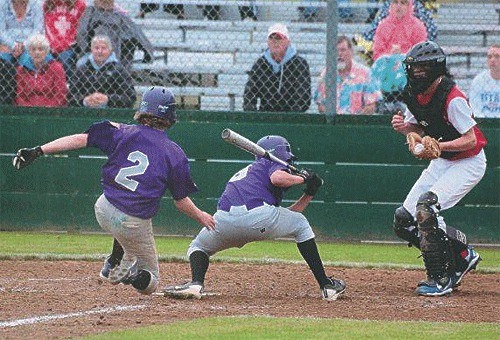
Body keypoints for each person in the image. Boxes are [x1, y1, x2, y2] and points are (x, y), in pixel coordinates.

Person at [12, 86, 216, 295]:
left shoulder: (121, 131)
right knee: (151, 281)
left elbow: (79, 139)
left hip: (103, 208)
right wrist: (201, 216)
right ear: (171, 116)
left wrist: (38, 150)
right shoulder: (175, 153)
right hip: (133, 222)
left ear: (142, 109)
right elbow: (180, 201)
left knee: (123, 232)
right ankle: (132, 275)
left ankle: (113, 262)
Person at [162, 135, 346, 301]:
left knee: (198, 246)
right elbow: (277, 179)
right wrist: (303, 179)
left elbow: (288, 215)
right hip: (258, 217)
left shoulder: (251, 172)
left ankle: (196, 283)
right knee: (301, 224)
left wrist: (309, 192)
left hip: (224, 221)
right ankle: (327, 285)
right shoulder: (270, 163)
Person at [391, 41, 487, 297]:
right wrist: (408, 132)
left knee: (426, 208)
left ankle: (441, 277)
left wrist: (440, 147)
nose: (415, 75)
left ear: (434, 70)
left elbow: (472, 139)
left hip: (468, 162)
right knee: (404, 220)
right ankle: (462, 254)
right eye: (413, 69)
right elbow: (416, 128)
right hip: (443, 162)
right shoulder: (412, 94)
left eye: (421, 70)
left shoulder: (453, 98)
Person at [243, 23, 311, 113]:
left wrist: (292, 115)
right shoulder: (261, 63)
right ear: (267, 42)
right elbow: (249, 92)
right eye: (271, 38)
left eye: (279, 38)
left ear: (287, 41)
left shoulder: (299, 64)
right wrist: (253, 114)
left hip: (292, 116)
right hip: (265, 113)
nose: (275, 41)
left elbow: (303, 95)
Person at [76, 0, 154, 71]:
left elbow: (137, 34)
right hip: (94, 54)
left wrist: (147, 54)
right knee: (81, 64)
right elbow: (82, 33)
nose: (105, 2)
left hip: (116, 55)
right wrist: (88, 51)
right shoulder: (91, 12)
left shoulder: (120, 15)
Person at [314, 36, 381, 115]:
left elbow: (371, 106)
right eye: (336, 51)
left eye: (343, 50)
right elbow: (320, 104)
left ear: (351, 51)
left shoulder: (365, 73)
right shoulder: (326, 74)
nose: (339, 54)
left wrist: (354, 121)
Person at [354, 0, 437, 64]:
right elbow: (377, 54)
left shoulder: (418, 27)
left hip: (410, 69)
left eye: (402, 3)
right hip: (387, 67)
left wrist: (402, 56)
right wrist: (390, 55)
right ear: (391, 5)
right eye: (395, 2)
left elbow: (421, 55)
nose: (399, 6)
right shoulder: (383, 26)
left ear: (409, 6)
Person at [69, 35, 135, 108]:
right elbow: (71, 95)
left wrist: (108, 99)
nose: (100, 51)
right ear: (91, 50)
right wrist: (85, 100)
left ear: (110, 50)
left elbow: (130, 97)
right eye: (96, 48)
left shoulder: (119, 70)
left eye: (103, 48)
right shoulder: (82, 69)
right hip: (85, 112)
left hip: (111, 112)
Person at [15, 34, 67, 107]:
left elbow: (60, 95)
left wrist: (47, 109)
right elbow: (19, 96)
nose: (37, 52)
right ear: (29, 52)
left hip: (51, 111)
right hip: (27, 111)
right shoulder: (22, 69)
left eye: (40, 49)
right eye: (33, 49)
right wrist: (28, 108)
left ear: (46, 51)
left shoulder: (56, 68)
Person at [43, 0, 87, 79]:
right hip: (51, 45)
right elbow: (48, 28)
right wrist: (54, 45)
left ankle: (72, 84)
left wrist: (62, 46)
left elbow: (77, 30)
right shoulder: (48, 4)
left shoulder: (80, 5)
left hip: (71, 45)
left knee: (65, 58)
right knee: (45, 59)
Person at [469, 44, 500, 118]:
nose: (492, 60)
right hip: (483, 122)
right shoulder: (479, 80)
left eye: (497, 56)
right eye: (489, 57)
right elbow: (474, 107)